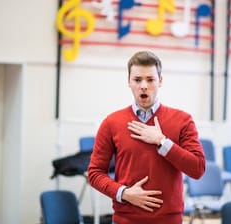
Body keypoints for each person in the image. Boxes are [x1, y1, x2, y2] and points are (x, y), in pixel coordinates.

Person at [88, 50, 205, 224]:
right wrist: (124, 193)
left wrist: (162, 142)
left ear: (160, 81)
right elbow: (95, 173)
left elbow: (197, 169)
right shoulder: (111, 122)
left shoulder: (183, 120)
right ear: (129, 81)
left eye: (150, 80)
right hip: (124, 220)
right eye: (137, 80)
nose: (144, 85)